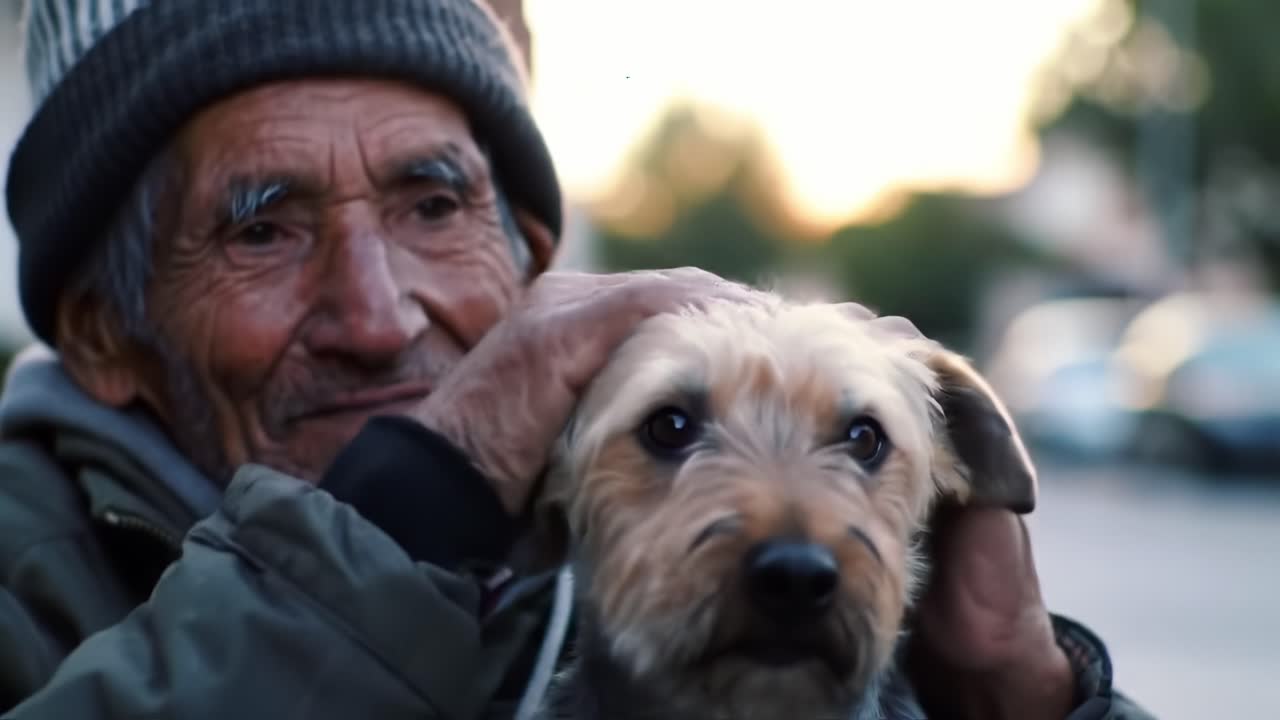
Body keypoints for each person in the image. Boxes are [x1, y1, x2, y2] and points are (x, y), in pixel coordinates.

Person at [0, 1, 1155, 718]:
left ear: (533, 263)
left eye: (433, 205)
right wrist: (404, 516)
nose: (377, 314)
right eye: (262, 229)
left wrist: (1025, 698)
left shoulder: (632, 563)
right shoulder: (28, 585)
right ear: (104, 332)